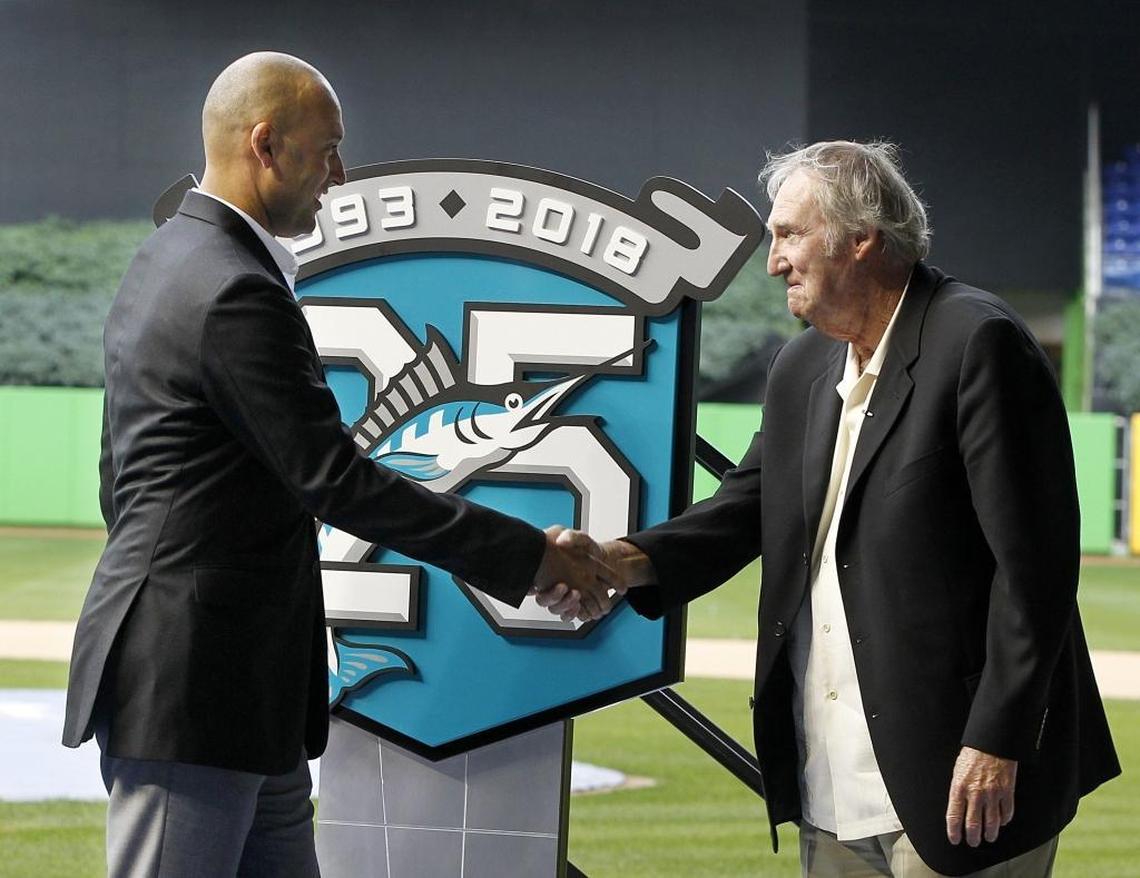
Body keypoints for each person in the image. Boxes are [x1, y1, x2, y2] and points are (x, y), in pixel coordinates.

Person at [62, 52, 612, 877]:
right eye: (327, 151)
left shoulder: (168, 260)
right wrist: (531, 555)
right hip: (198, 693)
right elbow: (337, 481)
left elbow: (121, 481)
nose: (338, 174)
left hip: (242, 689)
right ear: (266, 145)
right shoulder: (233, 289)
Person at [553, 141, 1121, 876]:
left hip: (962, 783)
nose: (773, 261)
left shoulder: (978, 341)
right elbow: (746, 506)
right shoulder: (804, 364)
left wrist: (997, 741)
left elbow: (1035, 571)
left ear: (861, 239)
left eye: (788, 234)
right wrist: (618, 562)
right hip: (831, 779)